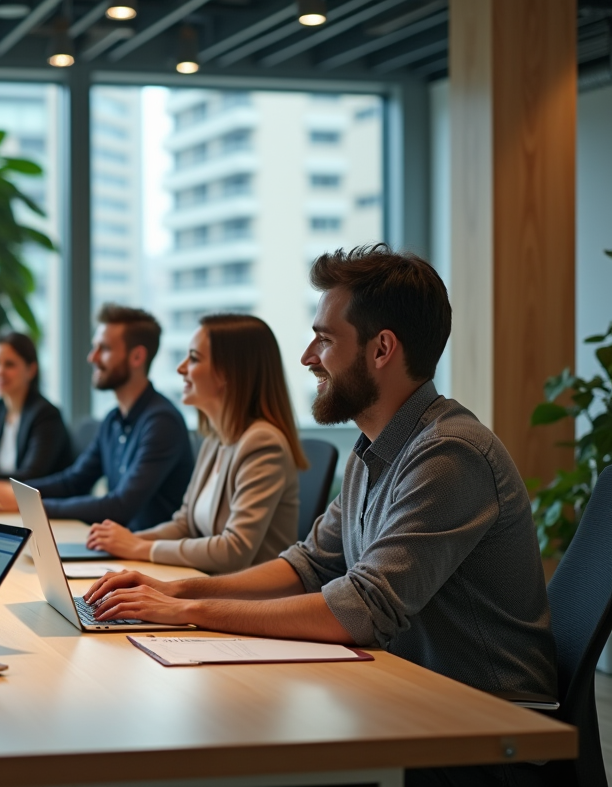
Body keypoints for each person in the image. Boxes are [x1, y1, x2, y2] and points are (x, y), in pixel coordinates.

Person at [83, 245, 556, 787]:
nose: (308, 356)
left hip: (485, 725)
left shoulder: (449, 454)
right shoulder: (372, 449)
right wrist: (180, 595)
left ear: (382, 349)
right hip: (403, 690)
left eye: (326, 339)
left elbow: (361, 610)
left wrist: (192, 612)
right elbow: (310, 563)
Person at [85, 314, 306, 573]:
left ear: (228, 373)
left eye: (194, 358)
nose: (181, 368)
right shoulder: (214, 439)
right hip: (208, 587)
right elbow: (185, 524)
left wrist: (139, 548)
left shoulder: (262, 443)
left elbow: (234, 550)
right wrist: (129, 541)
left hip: (250, 603)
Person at [0, 304, 194, 531]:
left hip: (149, 554)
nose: (92, 357)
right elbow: (74, 481)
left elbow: (120, 506)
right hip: (118, 548)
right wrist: (13, 491)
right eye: (94, 347)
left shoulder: (162, 423)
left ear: (137, 357)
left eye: (104, 349)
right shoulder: (113, 420)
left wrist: (27, 504)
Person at [0, 333, 70, 509]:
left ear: (31, 370)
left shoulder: (46, 415)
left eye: (9, 364)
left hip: (40, 511)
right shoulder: (0, 409)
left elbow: (32, 477)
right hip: (6, 506)